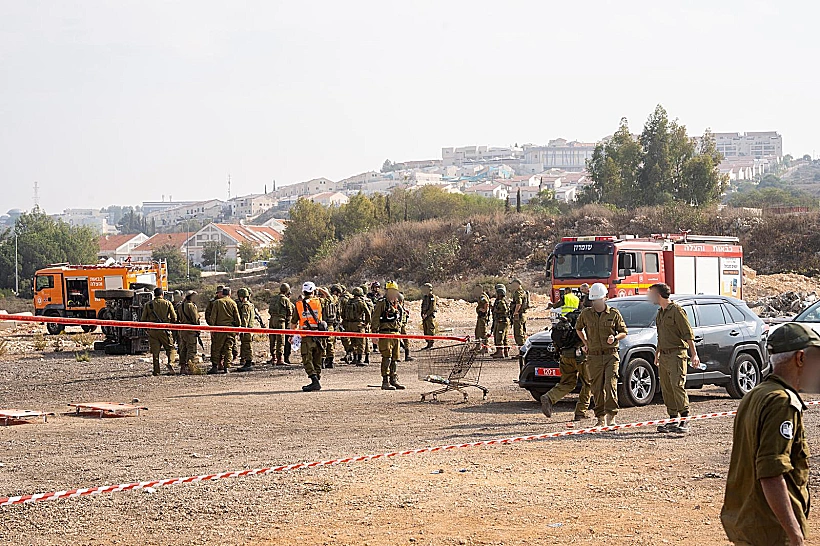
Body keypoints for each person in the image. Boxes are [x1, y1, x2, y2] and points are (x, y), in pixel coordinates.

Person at [721, 323, 820, 546]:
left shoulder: (757, 393)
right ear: (801, 359)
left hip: (751, 523)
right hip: (771, 531)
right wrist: (795, 536)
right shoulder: (781, 402)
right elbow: (771, 473)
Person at [648, 283, 700, 433]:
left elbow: (687, 333)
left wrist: (694, 354)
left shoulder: (676, 311)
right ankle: (672, 419)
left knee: (677, 386)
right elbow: (661, 336)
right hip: (664, 355)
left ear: (658, 295)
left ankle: (684, 418)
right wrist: (657, 354)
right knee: (666, 388)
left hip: (677, 354)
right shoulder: (660, 313)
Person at [575, 282, 627, 427]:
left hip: (611, 355)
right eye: (594, 301)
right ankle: (600, 418)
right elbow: (579, 328)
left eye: (599, 300)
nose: (597, 303)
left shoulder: (614, 314)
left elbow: (624, 332)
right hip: (594, 356)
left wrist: (615, 338)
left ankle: (611, 417)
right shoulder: (586, 314)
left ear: (604, 298)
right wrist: (585, 342)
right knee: (596, 388)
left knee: (610, 386)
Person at [540, 307, 592, 421]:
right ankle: (580, 413)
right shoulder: (588, 318)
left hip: (565, 355)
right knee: (588, 384)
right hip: (581, 357)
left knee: (567, 383)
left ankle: (549, 397)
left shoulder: (568, 317)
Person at [292, 282, 326, 392]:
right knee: (317, 358)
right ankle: (316, 380)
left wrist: (293, 335)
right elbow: (329, 297)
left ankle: (314, 381)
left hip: (306, 336)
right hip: (319, 335)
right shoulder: (319, 301)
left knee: (307, 359)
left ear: (303, 291)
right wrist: (319, 289)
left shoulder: (298, 305)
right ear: (313, 291)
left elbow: (293, 323)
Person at [371, 281, 405, 390]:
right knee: (387, 357)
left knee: (395, 358)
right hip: (385, 333)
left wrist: (401, 327)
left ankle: (393, 379)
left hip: (396, 333)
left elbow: (402, 316)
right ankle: (385, 381)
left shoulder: (396, 303)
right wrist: (374, 334)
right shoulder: (382, 303)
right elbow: (375, 318)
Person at [140, 287, 178, 376]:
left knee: (155, 353)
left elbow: (143, 319)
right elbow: (174, 317)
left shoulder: (148, 305)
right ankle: (171, 364)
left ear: (154, 294)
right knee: (170, 348)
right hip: (164, 330)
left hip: (153, 330)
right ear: (162, 294)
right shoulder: (167, 303)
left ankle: (156, 371)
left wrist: (147, 330)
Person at [207, 287, 241, 374]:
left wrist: (212, 328)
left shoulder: (217, 302)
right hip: (230, 329)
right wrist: (237, 327)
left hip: (219, 329)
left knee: (216, 348)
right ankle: (226, 367)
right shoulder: (233, 303)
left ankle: (215, 367)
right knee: (228, 348)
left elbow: (213, 317)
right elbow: (237, 318)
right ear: (229, 294)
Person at [342, 286, 371, 366]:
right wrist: (366, 323)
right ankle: (359, 359)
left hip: (349, 325)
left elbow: (342, 314)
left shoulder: (348, 302)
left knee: (353, 341)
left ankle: (352, 356)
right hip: (358, 324)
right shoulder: (361, 302)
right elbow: (368, 313)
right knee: (361, 343)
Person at [268, 283, 293, 365]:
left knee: (272, 340)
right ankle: (280, 359)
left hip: (272, 320)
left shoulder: (273, 298)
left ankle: (273, 357)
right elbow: (289, 312)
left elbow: (269, 310)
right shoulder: (285, 299)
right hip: (280, 321)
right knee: (280, 340)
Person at [177, 290, 200, 375]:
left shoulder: (180, 306)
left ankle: (182, 368)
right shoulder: (191, 306)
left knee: (183, 349)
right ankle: (190, 368)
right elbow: (195, 319)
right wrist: (198, 329)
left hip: (182, 330)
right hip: (191, 330)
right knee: (191, 349)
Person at [320, 286, 342, 369]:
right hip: (331, 325)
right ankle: (331, 362)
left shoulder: (322, 301)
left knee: (323, 344)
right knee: (331, 344)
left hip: (323, 325)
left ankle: (322, 361)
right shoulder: (333, 300)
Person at [235, 288, 256, 372]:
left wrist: (242, 329)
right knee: (247, 345)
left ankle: (248, 363)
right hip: (249, 328)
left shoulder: (245, 306)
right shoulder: (250, 305)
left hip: (247, 329)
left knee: (247, 346)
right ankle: (247, 362)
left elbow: (245, 319)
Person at [510, 279, 530, 352]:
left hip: (519, 315)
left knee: (518, 333)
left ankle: (522, 352)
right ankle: (524, 351)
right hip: (523, 314)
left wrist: (515, 312)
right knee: (522, 332)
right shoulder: (523, 292)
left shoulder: (518, 293)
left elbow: (519, 303)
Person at [491, 284, 510, 358]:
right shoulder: (500, 301)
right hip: (502, 321)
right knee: (504, 337)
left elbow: (504, 311)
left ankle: (500, 352)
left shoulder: (501, 302)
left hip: (501, 321)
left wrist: (495, 310)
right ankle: (505, 351)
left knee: (499, 336)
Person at [421, 282, 438, 349]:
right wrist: (422, 314)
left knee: (430, 329)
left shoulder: (432, 297)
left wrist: (427, 314)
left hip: (429, 316)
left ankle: (431, 343)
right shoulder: (425, 297)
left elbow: (432, 307)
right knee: (425, 329)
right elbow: (422, 306)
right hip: (425, 316)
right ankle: (428, 343)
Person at [398, 292, 414, 362]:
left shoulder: (400, 308)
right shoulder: (398, 308)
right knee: (401, 341)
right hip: (399, 326)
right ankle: (405, 356)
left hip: (401, 326)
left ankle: (406, 355)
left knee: (403, 341)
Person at [475, 286, 491, 352]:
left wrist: (484, 310)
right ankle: (478, 346)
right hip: (481, 317)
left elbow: (486, 303)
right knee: (478, 332)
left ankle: (486, 347)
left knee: (483, 332)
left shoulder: (482, 296)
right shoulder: (483, 295)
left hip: (483, 317)